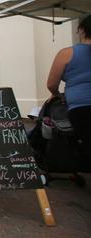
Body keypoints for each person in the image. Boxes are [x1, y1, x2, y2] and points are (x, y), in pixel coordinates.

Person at [47, 15, 91, 163]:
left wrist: (57, 95)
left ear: (81, 30)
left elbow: (52, 84)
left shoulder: (66, 53)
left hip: (81, 107)